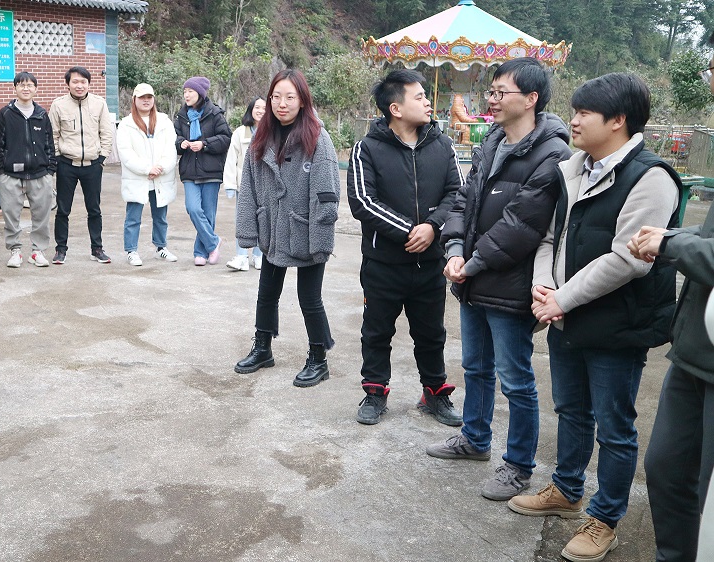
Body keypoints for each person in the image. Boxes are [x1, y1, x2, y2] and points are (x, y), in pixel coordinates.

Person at [507, 73, 682, 562]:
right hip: (566, 314)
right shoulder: (573, 168)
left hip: (617, 324)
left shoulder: (651, 177)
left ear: (618, 120)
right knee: (571, 411)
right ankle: (566, 490)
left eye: (585, 113)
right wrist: (543, 285)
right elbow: (549, 237)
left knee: (614, 426)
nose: (575, 120)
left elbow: (628, 258)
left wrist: (561, 299)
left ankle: (605, 519)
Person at [425, 58, 572, 502]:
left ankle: (519, 466)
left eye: (500, 92)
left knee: (516, 379)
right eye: (490, 91)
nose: (491, 99)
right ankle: (474, 438)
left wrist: (470, 263)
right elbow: (463, 200)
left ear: (531, 99)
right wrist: (454, 249)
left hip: (510, 283)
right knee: (475, 367)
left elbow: (522, 225)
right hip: (472, 277)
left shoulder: (553, 153)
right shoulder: (491, 140)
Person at [628, 57, 714, 562]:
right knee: (665, 470)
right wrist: (678, 236)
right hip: (694, 353)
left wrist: (671, 243)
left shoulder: (652, 174)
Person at [347, 69, 463, 426]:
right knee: (377, 331)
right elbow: (363, 201)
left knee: (431, 334)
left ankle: (434, 393)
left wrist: (433, 227)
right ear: (395, 108)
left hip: (430, 264)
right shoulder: (367, 149)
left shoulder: (442, 145)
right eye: (419, 96)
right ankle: (375, 392)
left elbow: (457, 193)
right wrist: (409, 231)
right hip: (383, 264)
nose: (428, 102)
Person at [233, 69, 342, 388]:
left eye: (290, 97)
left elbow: (327, 192)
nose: (282, 103)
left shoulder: (318, 137)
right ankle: (262, 348)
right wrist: (248, 230)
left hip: (306, 229)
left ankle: (318, 358)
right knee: (266, 292)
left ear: (302, 100)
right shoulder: (261, 137)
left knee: (309, 297)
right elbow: (248, 187)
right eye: (276, 96)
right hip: (273, 227)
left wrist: (321, 237)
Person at [49, 66, 114, 264]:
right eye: (75, 81)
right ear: (68, 84)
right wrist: (57, 158)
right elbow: (53, 134)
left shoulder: (99, 104)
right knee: (63, 210)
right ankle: (60, 250)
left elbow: (107, 132)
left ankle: (97, 249)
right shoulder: (58, 105)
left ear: (88, 84)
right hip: (66, 164)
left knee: (94, 209)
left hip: (92, 165)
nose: (79, 85)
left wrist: (102, 157)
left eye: (83, 82)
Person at [0, 71, 57, 268]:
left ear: (35, 89)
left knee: (42, 216)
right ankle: (15, 251)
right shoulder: (5, 114)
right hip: (10, 175)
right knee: (11, 216)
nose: (26, 88)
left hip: (40, 174)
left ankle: (37, 252)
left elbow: (49, 143)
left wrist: (50, 170)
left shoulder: (41, 114)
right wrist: (1, 170)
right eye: (21, 85)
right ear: (15, 88)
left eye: (30, 85)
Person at [116, 83, 179, 266]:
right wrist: (146, 169)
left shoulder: (164, 121)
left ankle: (161, 247)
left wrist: (161, 168)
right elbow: (126, 153)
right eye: (142, 97)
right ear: (134, 99)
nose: (146, 101)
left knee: (160, 217)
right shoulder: (126, 124)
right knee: (133, 217)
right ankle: (131, 250)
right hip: (138, 178)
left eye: (149, 97)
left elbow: (171, 149)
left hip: (160, 177)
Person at [174, 76, 232, 266]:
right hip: (189, 170)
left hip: (211, 171)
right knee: (192, 208)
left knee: (208, 214)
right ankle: (214, 242)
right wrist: (181, 143)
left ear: (200, 93)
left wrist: (204, 144)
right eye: (185, 91)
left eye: (190, 91)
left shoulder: (214, 114)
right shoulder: (182, 115)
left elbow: (226, 138)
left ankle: (201, 252)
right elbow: (175, 138)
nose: (186, 95)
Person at [224, 96, 266, 271]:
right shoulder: (240, 132)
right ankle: (241, 256)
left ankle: (259, 256)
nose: (260, 111)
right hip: (244, 185)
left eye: (264, 108)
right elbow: (231, 159)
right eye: (257, 107)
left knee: (263, 220)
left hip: (265, 185)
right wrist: (230, 184)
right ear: (251, 110)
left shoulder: (272, 132)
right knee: (243, 220)